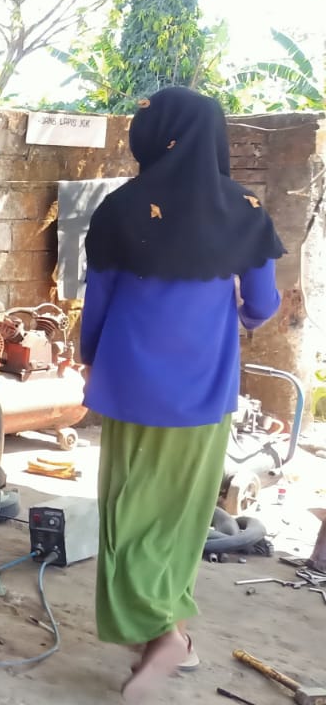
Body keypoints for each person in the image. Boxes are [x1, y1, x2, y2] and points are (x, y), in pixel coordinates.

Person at [79, 86, 283, 702]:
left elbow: (98, 307)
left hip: (130, 386)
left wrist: (91, 363)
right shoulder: (244, 208)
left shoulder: (120, 207)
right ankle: (169, 636)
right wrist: (236, 313)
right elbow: (264, 303)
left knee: (129, 511)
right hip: (204, 390)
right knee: (181, 515)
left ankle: (163, 637)